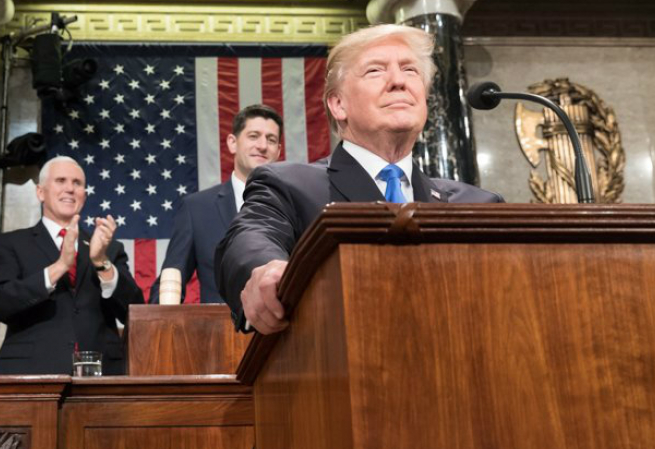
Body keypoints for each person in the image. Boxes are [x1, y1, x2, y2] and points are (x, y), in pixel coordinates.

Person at [215, 24, 504, 334]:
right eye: (375, 71)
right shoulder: (289, 185)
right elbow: (250, 237)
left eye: (410, 70)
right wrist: (264, 269)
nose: (398, 81)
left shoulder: (478, 204)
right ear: (338, 104)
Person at [0, 156, 143, 374]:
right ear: (40, 192)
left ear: (84, 196)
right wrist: (59, 267)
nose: (70, 188)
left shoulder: (109, 248)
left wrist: (102, 263)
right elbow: (0, 304)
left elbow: (134, 311)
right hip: (31, 372)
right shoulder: (11, 244)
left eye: (77, 183)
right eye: (60, 181)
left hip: (101, 374)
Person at [150, 104, 283, 304]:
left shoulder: (294, 206)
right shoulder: (197, 209)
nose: (263, 145)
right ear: (232, 143)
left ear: (278, 151)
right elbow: (170, 281)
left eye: (271, 139)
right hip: (218, 331)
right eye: (254, 136)